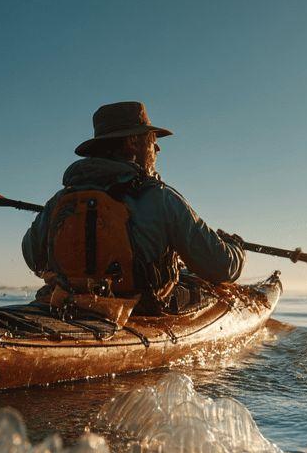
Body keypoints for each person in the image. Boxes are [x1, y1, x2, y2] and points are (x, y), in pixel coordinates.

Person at [22, 101, 244, 315]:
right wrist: (236, 249)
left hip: (68, 303)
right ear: (133, 143)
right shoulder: (161, 198)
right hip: (141, 310)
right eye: (152, 139)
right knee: (203, 290)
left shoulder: (61, 199)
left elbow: (33, 257)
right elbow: (220, 266)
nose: (157, 148)